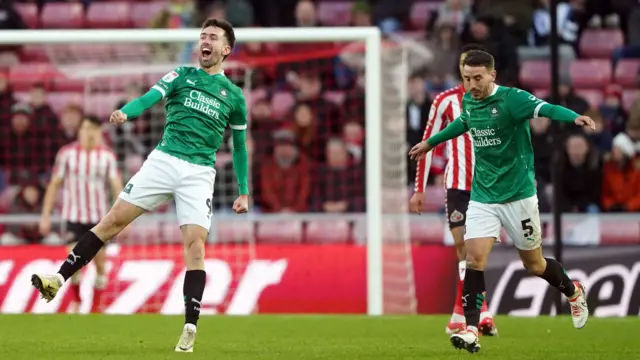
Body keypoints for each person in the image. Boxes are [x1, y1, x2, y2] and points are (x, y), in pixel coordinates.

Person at [31, 18, 249, 353]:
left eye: (213, 37)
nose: (205, 41)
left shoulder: (233, 96)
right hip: (163, 160)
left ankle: (190, 327)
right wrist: (126, 113)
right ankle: (56, 280)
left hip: (199, 173)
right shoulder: (181, 75)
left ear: (226, 49)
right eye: (202, 35)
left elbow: (238, 146)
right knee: (111, 222)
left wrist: (243, 189)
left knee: (196, 248)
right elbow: (149, 98)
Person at [409, 50, 592, 353]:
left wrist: (575, 118)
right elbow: (463, 123)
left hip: (519, 196)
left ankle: (573, 292)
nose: (471, 85)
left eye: (477, 78)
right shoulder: (469, 100)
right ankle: (470, 329)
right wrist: (432, 142)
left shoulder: (512, 99)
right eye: (467, 79)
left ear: (492, 75)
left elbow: (547, 109)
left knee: (533, 263)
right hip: (483, 196)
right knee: (473, 259)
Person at [410, 43, 497, 337]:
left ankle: (463, 313)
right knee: (463, 249)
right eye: (464, 66)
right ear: (461, 69)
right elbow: (428, 143)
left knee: (476, 253)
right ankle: (478, 312)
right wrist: (419, 188)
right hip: (458, 186)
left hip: (490, 188)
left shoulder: (498, 100)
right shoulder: (445, 101)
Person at [39, 115, 122, 313]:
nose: (88, 133)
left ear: (99, 132)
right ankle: (76, 302)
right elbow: (54, 184)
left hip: (98, 219)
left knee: (101, 266)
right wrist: (45, 215)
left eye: (93, 129)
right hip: (73, 217)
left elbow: (116, 186)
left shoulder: (107, 156)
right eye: (84, 129)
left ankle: (96, 306)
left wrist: (121, 218)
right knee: (73, 262)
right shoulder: (66, 154)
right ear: (79, 132)